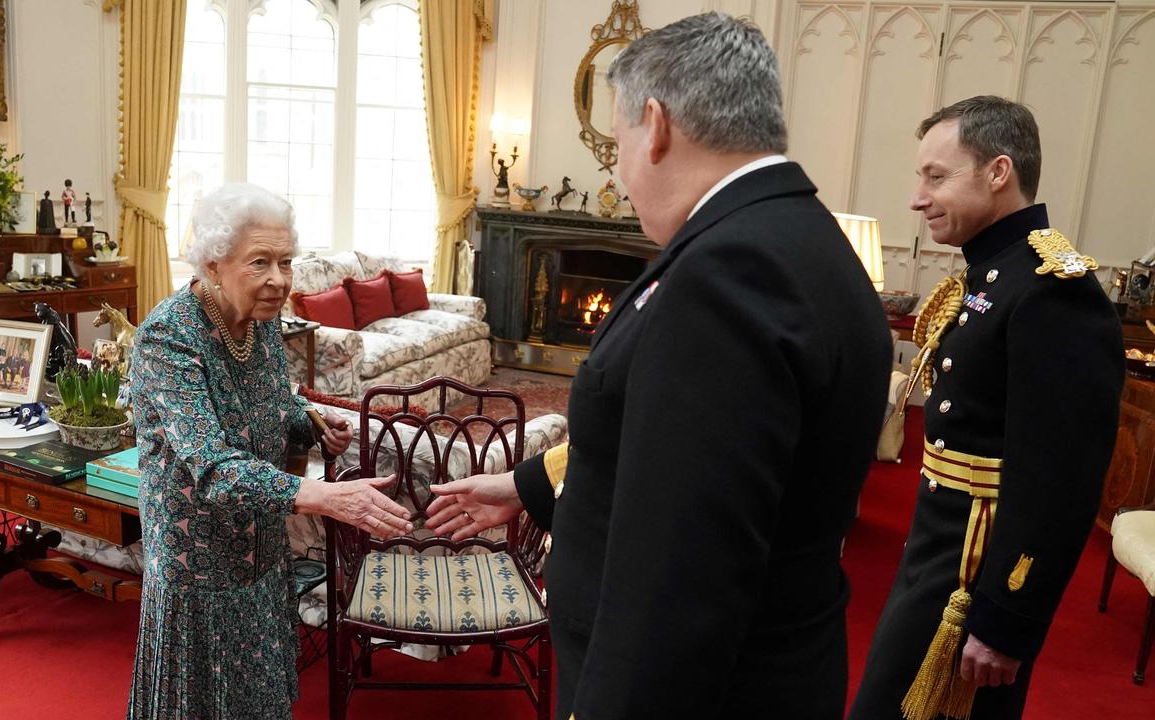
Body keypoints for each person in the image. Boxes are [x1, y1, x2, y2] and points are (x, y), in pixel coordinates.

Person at [424, 13, 890, 718]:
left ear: (656, 123)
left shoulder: (727, 274)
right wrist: (527, 485)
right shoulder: (798, 238)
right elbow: (669, 448)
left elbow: (680, 572)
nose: (619, 167)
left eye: (618, 144)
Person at [848, 97, 1124, 720]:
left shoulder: (1055, 293)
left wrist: (1007, 620)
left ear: (998, 172)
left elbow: (1061, 480)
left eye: (936, 176)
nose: (918, 198)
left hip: (977, 577)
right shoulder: (994, 272)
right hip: (939, 555)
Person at [126, 183, 413, 720]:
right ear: (213, 263)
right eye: (260, 262)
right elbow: (211, 467)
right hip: (198, 563)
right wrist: (324, 497)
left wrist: (311, 427)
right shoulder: (168, 339)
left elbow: (276, 406)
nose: (279, 280)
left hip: (260, 548)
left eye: (286, 261)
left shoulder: (260, 327)